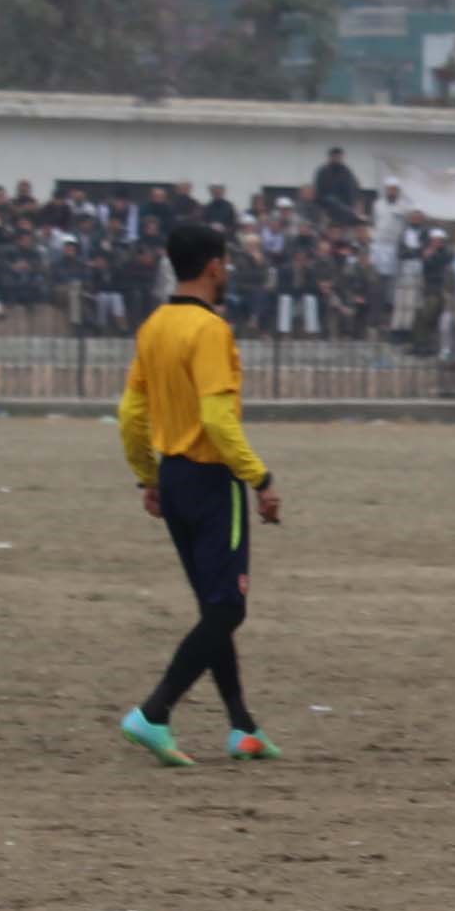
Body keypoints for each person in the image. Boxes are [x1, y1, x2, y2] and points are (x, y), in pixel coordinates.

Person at [109, 223, 285, 767]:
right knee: (227, 608)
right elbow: (217, 420)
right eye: (225, 264)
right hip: (211, 481)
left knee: (214, 608)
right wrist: (260, 479)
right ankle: (154, 712)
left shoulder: (154, 326)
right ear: (213, 266)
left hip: (174, 479)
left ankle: (242, 728)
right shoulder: (210, 331)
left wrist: (148, 477)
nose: (226, 272)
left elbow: (130, 414)